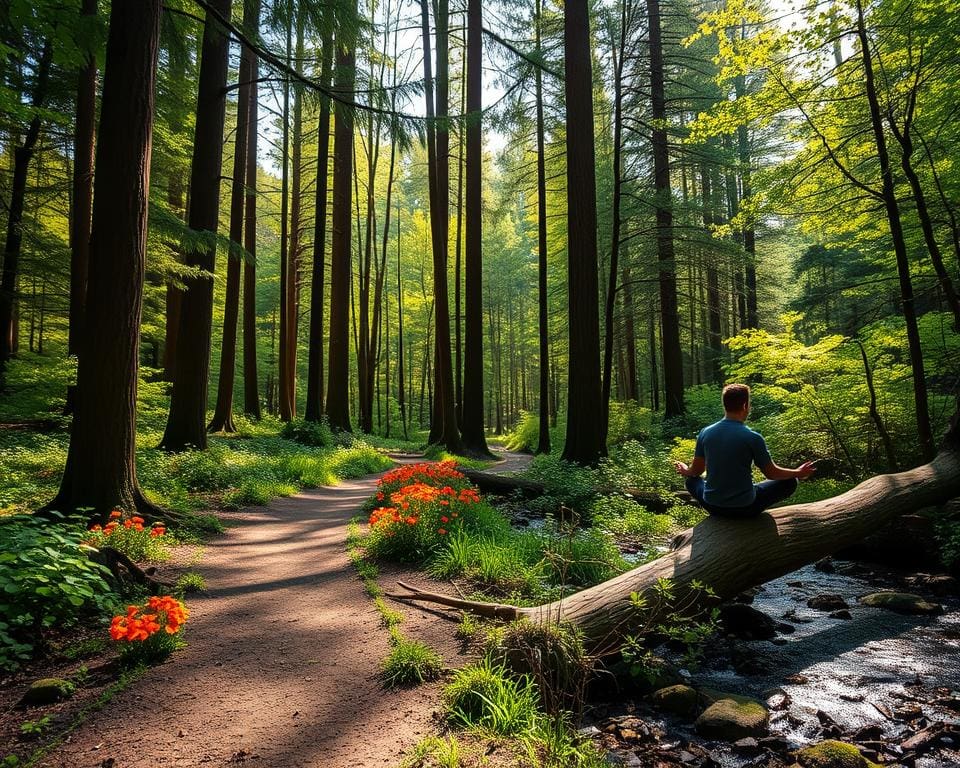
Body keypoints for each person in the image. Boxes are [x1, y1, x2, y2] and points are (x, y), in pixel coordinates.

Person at [674, 383, 815, 518]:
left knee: (691, 481)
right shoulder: (753, 437)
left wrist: (686, 470)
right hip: (746, 508)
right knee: (790, 482)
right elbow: (772, 473)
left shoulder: (706, 432)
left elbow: (696, 471)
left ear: (725, 405)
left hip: (713, 506)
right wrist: (798, 473)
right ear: (745, 405)